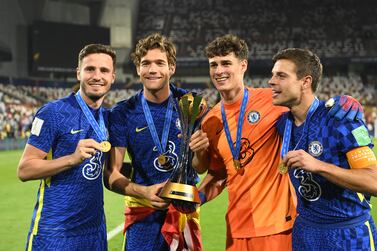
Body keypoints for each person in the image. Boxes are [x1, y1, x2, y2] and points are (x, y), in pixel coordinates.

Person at [193, 34, 365, 251]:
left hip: (278, 227)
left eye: (226, 63)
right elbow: (218, 175)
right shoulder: (211, 120)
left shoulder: (273, 100)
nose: (219, 71)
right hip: (235, 230)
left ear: (243, 65)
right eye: (213, 65)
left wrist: (347, 100)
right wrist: (194, 196)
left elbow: (308, 104)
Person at [104, 33, 208, 251]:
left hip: (183, 212)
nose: (152, 69)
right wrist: (143, 192)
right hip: (143, 215)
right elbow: (111, 174)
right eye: (146, 63)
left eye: (160, 63)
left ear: (172, 68)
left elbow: (201, 166)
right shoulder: (122, 113)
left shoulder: (191, 104)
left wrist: (201, 151)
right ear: (138, 69)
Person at [270, 48, 377, 250]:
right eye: (273, 74)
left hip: (348, 233)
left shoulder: (341, 119)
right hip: (305, 231)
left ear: (305, 82)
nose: (271, 81)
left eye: (281, 76)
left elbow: (374, 181)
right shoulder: (283, 123)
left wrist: (319, 166)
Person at [17, 44, 116, 250]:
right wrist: (72, 158)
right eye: (90, 69)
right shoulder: (53, 113)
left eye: (104, 70)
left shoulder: (108, 117)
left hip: (95, 232)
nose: (97, 76)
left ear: (112, 77)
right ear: (78, 73)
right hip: (55, 232)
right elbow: (25, 169)